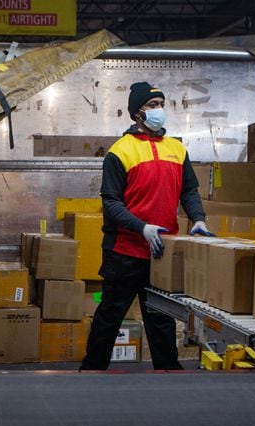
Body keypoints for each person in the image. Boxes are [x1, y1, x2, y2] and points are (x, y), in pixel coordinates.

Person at [80, 81, 214, 371]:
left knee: (160, 318)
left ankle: (168, 373)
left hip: (161, 252)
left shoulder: (177, 149)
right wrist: (142, 228)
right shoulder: (120, 152)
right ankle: (91, 372)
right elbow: (111, 203)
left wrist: (198, 218)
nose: (159, 110)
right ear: (137, 114)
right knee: (110, 316)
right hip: (125, 252)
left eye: (161, 104)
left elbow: (189, 190)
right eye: (153, 106)